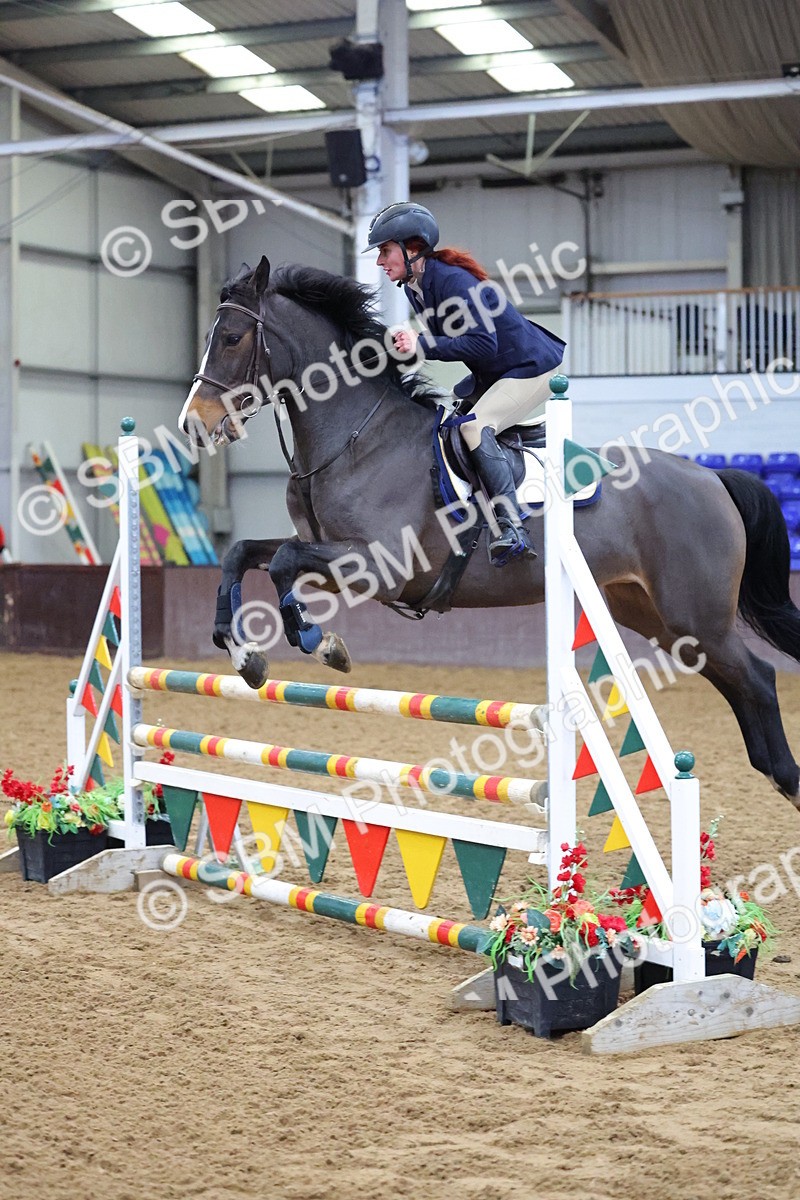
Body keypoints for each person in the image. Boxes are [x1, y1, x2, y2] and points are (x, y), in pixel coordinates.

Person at [364, 201, 565, 565]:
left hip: (529, 367)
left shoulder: (453, 281)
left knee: (474, 427)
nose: (380, 261)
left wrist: (421, 343)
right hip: (495, 372)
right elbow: (448, 340)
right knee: (446, 428)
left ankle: (512, 526)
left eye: (385, 250)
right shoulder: (416, 286)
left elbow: (482, 343)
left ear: (412, 248)